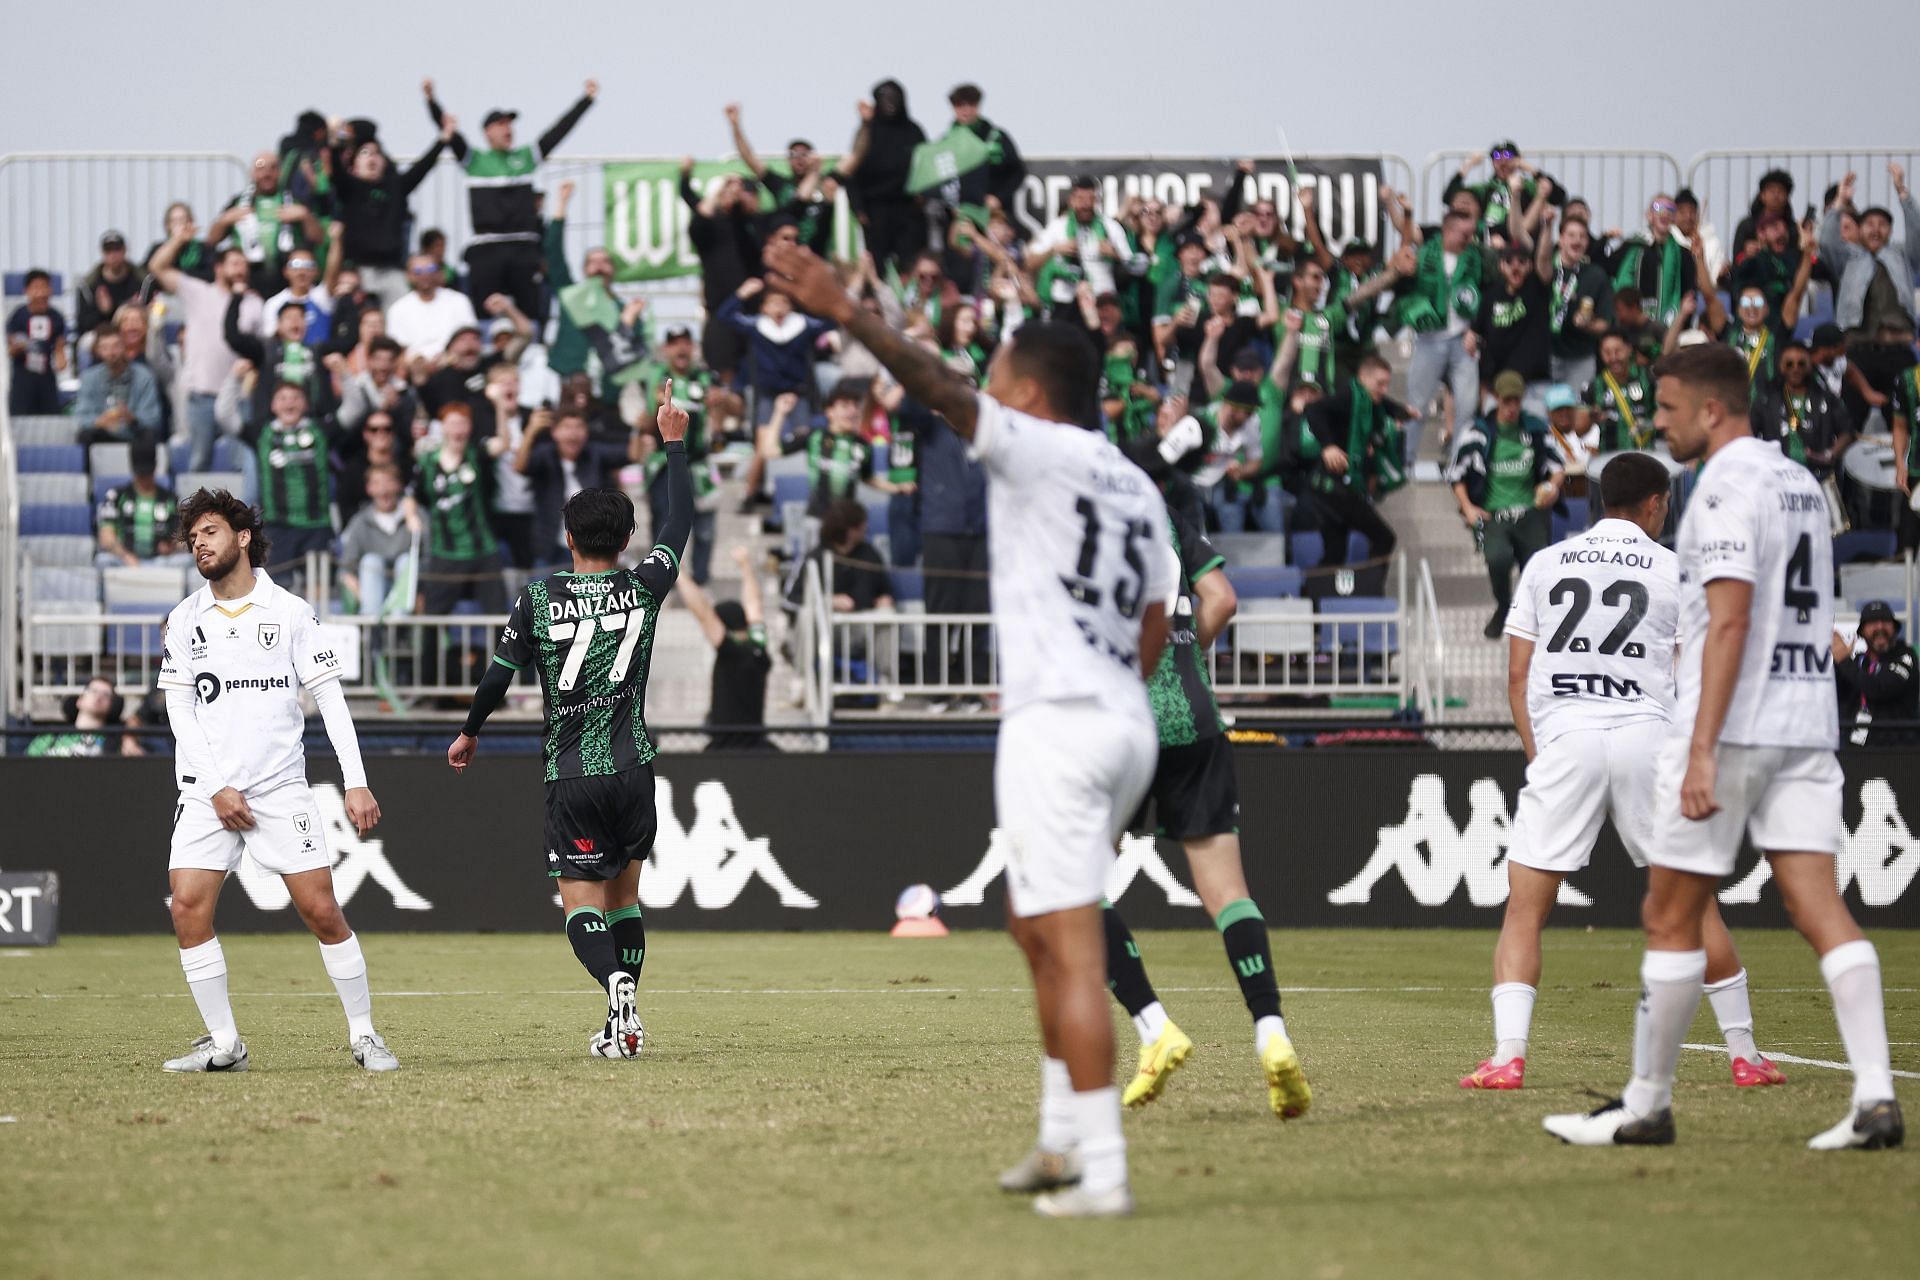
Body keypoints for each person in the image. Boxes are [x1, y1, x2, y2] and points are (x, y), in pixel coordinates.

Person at [763, 239, 1178, 1218]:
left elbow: (938, 385)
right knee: (1033, 926)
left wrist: (847, 312)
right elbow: (1160, 619)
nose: (983, 393)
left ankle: (1102, 1173)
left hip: (1059, 726)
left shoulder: (1036, 445)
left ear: (1030, 393)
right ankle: (1058, 1135)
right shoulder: (1137, 482)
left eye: (999, 379)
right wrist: (1111, 697)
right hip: (1122, 719)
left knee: (1067, 944)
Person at [1544, 344, 1901, 1151]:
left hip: (1732, 727)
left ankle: (1646, 1106)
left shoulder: (1722, 490)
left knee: (1669, 914)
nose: (1656, 421)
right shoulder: (1801, 482)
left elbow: (1731, 618)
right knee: (1818, 906)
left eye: (1665, 408)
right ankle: (1876, 1097)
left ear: (1710, 409)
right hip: (1806, 724)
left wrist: (1701, 746)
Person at [1464, 452, 1782, 1091]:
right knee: (1695, 906)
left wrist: (1542, 753)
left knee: (1525, 911)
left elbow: (1518, 677)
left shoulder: (1544, 563)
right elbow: (1696, 675)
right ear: (1658, 503)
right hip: (1648, 736)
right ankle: (1745, 1055)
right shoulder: (1675, 569)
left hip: (1568, 739)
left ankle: (1507, 1058)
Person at [447, 382, 695, 1060]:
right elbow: (681, 527)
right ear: (626, 538)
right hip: (634, 767)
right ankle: (625, 1020)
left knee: (581, 905)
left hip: (571, 772)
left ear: (567, 535)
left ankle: (613, 982)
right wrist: (674, 446)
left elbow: (498, 676)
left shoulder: (538, 597)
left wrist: (471, 730)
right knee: (626, 901)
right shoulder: (644, 585)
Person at [156, 488, 396, 1073]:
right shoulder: (185, 619)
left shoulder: (290, 613)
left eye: (208, 532)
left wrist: (355, 781)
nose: (199, 545)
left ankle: (364, 1034)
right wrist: (214, 787)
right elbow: (179, 713)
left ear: (241, 538)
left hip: (280, 791)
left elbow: (330, 700)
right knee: (187, 907)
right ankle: (224, 1044)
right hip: (207, 793)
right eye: (192, 539)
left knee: (321, 912)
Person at [1088, 508, 1309, 1120]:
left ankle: (1154, 1027)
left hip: (1126, 726)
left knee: (1075, 886)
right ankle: (1271, 1033)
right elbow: (1223, 599)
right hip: (1198, 721)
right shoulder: (1168, 517)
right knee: (1229, 893)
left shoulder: (1085, 520)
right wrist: (1188, 659)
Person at [424, 77, 597, 318]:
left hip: (522, 246)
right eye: (501, 124)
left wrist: (585, 100)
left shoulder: (525, 157)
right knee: (482, 310)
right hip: (488, 246)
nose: (508, 129)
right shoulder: (475, 160)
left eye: (510, 124)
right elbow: (450, 134)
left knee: (530, 311)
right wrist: (432, 101)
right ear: (487, 132)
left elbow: (557, 132)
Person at [1451, 370, 1565, 638]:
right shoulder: (1477, 433)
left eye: (1517, 401)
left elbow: (1558, 466)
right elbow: (1456, 475)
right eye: (1507, 401)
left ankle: (1533, 619)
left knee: (1537, 567)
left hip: (1529, 509)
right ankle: (1503, 605)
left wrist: (1552, 486)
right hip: (1494, 513)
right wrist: (1468, 507)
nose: (1512, 407)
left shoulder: (1535, 429)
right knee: (1498, 558)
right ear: (1496, 399)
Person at [149, 236, 259, 470]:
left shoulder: (254, 303)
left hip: (238, 397)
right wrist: (178, 241)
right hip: (202, 395)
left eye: (244, 264)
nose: (241, 269)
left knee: (243, 464)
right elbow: (157, 267)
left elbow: (261, 350)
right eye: (235, 263)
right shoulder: (198, 292)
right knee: (199, 462)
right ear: (219, 268)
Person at [334, 114, 454, 305]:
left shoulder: (396, 187)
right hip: (359, 271)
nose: (371, 158)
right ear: (354, 165)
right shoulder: (349, 188)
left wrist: (443, 140)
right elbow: (335, 169)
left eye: (376, 153)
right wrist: (337, 140)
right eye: (364, 153)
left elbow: (422, 167)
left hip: (392, 271)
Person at [1397, 207, 1485, 464]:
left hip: (1463, 341)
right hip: (1429, 340)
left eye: (1471, 233)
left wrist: (1476, 330)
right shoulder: (1424, 255)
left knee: (1467, 407)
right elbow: (1404, 287)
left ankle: (1460, 465)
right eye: (1464, 234)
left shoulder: (1475, 258)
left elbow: (1487, 294)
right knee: (1417, 405)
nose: (1469, 239)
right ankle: (1405, 463)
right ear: (1447, 231)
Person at [1301, 353, 1404, 566]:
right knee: (1385, 538)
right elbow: (1313, 409)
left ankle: (1313, 595)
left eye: (1387, 384)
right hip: (1337, 491)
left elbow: (1385, 404)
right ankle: (1370, 591)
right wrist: (1328, 446)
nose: (1384, 389)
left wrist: (1403, 412)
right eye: (1380, 384)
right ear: (1363, 378)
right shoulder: (1349, 397)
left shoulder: (1367, 401)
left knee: (1334, 553)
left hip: (1339, 489)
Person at [677, 545, 773, 751]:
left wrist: (678, 572)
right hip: (758, 743)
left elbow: (703, 613)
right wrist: (745, 565)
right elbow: (754, 605)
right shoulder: (758, 647)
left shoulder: (732, 651)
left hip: (727, 746)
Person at [237, 381, 339, 571]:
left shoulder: (321, 431)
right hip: (277, 527)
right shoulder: (262, 433)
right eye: (283, 398)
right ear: (273, 406)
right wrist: (235, 378)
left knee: (318, 588)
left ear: (306, 404)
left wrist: (344, 374)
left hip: (317, 525)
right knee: (277, 590)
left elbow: (355, 409)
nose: (289, 403)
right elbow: (225, 417)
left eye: (295, 398)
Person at [516, 406, 630, 568]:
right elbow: (520, 466)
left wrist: (640, 428)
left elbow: (631, 454)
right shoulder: (545, 455)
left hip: (592, 548)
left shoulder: (594, 454)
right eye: (567, 427)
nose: (573, 433)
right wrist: (530, 431)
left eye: (578, 427)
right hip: (549, 546)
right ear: (554, 432)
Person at [1820, 166, 1920, 341]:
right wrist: (1840, 201)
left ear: (1890, 231)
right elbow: (1827, 241)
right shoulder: (1848, 258)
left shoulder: (1902, 256)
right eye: (1869, 224)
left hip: (1897, 341)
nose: (1876, 230)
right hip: (1856, 342)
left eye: (1882, 224)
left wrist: (1902, 193)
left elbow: (1917, 231)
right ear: (1859, 230)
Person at [842, 80, 928, 274]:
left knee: (911, 263)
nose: (889, 102)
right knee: (877, 265)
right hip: (876, 210)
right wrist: (858, 208)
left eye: (894, 98)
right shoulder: (867, 132)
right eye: (884, 98)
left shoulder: (914, 131)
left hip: (908, 209)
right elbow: (851, 173)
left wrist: (924, 195)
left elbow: (926, 166)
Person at [209, 153, 321, 296]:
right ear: (252, 173)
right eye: (261, 168)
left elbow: (319, 238)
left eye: (273, 168)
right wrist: (224, 220)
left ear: (280, 172)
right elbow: (211, 240)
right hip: (249, 281)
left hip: (286, 282)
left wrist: (305, 216)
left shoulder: (294, 200)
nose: (267, 173)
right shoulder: (239, 202)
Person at [1751, 339, 1853, 479]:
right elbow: (1749, 433)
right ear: (1781, 366)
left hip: (1818, 475)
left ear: (1809, 366)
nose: (1795, 369)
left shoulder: (1825, 397)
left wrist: (1830, 454)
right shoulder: (1766, 400)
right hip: (1777, 476)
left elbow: (1847, 431)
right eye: (1789, 364)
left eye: (1801, 364)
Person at [339, 463, 420, 615]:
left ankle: (398, 624)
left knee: (406, 560)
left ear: (399, 485)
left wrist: (414, 523)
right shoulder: (360, 521)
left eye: (388, 482)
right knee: (371, 561)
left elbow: (428, 560)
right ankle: (371, 623)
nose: (383, 490)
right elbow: (346, 568)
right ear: (368, 488)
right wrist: (361, 595)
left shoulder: (415, 516)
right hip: (370, 592)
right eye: (377, 483)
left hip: (407, 596)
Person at [1835, 601, 1918, 746]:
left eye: (1886, 622)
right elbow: (1834, 693)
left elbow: (1879, 688)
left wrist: (1843, 660)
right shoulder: (1858, 662)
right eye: (1873, 622)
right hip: (1856, 754)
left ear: (1895, 629)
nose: (1880, 627)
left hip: (1899, 756)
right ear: (1862, 631)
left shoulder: (1906, 657)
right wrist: (1837, 662)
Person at [96, 439, 182, 568]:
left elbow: (182, 537)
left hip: (160, 562)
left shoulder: (170, 499)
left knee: (184, 561)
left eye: (147, 473)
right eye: (140, 474)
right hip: (124, 561)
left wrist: (171, 547)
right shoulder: (116, 496)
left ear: (155, 467)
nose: (144, 479)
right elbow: (106, 537)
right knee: (102, 560)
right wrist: (125, 556)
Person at [74, 326, 163, 448]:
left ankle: (145, 468)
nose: (111, 353)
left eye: (116, 346)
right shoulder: (89, 377)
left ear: (124, 347)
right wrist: (99, 421)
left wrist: (132, 418)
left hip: (134, 433)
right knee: (84, 435)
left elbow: (153, 419)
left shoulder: (144, 376)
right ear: (98, 351)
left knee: (149, 435)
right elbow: (81, 417)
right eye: (105, 348)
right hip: (103, 431)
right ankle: (86, 467)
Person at [386, 252, 480, 362]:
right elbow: (398, 350)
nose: (425, 275)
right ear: (408, 276)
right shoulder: (397, 309)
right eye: (418, 271)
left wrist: (447, 358)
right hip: (415, 366)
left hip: (453, 362)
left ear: (439, 272)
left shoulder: (459, 301)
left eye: (430, 269)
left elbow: (470, 338)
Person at [25, 676, 136, 758]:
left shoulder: (117, 742)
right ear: (80, 700)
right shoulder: (51, 736)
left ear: (111, 706)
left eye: (106, 695)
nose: (99, 697)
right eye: (93, 691)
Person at [6, 268, 68, 414]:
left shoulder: (57, 317)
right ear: (26, 290)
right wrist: (18, 347)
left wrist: (60, 358)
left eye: (44, 287)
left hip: (47, 374)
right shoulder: (18, 315)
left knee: (51, 415)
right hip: (22, 374)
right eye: (36, 288)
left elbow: (60, 349)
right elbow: (10, 347)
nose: (40, 293)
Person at [1583, 331, 1657, 451]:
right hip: (1610, 458)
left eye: (1618, 351)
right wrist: (1591, 417)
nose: (1613, 358)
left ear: (1629, 349)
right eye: (1607, 353)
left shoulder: (1648, 378)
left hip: (1646, 455)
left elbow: (1666, 412)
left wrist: (1649, 424)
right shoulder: (1595, 385)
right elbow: (1579, 428)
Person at [75, 230, 147, 340]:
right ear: (103, 253)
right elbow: (83, 325)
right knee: (86, 342)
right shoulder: (88, 285)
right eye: (108, 251)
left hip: (135, 333)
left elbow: (149, 316)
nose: (113, 255)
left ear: (124, 251)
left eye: (117, 250)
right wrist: (103, 312)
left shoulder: (142, 281)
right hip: (102, 337)